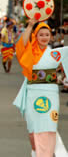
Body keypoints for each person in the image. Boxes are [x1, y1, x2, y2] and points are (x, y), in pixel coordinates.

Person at [14, 18, 68, 157]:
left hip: (51, 94)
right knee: (33, 129)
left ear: (50, 37)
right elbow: (21, 45)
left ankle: (45, 154)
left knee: (49, 126)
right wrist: (30, 25)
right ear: (35, 36)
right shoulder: (29, 52)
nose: (44, 38)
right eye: (41, 35)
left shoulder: (55, 54)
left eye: (47, 35)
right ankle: (37, 150)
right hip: (33, 93)